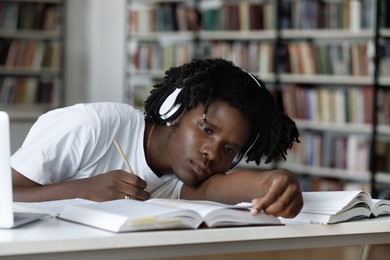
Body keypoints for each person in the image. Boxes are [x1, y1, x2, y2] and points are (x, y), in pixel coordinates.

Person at [11, 58, 302, 218]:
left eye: (229, 148)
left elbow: (231, 187)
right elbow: (5, 194)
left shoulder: (185, 177)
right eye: (207, 129)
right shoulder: (92, 125)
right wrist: (81, 190)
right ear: (174, 110)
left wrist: (278, 180)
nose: (212, 153)